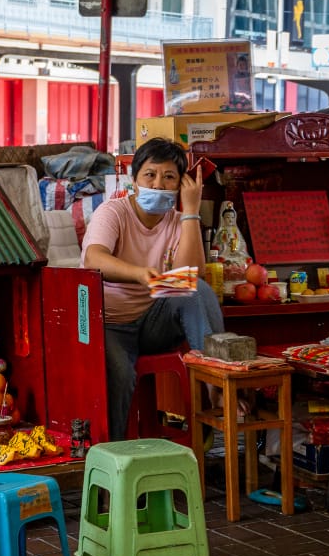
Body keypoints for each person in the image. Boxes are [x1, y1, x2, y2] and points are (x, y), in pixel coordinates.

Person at [80, 137, 224, 441]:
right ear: (135, 180)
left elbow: (190, 277)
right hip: (109, 324)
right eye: (150, 174)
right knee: (119, 376)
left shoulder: (176, 221)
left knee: (195, 288)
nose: (158, 184)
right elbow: (94, 259)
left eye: (169, 177)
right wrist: (139, 275)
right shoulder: (113, 212)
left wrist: (191, 212)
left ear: (180, 185)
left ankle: (217, 390)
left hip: (152, 320)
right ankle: (113, 461)